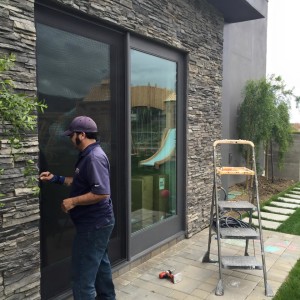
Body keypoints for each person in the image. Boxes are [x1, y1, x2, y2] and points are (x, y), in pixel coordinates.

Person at [40, 116, 116, 300]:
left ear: (81, 135)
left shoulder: (93, 157)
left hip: (93, 226)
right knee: (100, 266)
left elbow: (101, 193)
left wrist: (72, 202)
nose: (69, 138)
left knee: (82, 279)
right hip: (99, 223)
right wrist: (55, 178)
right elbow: (81, 182)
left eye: (71, 135)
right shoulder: (88, 155)